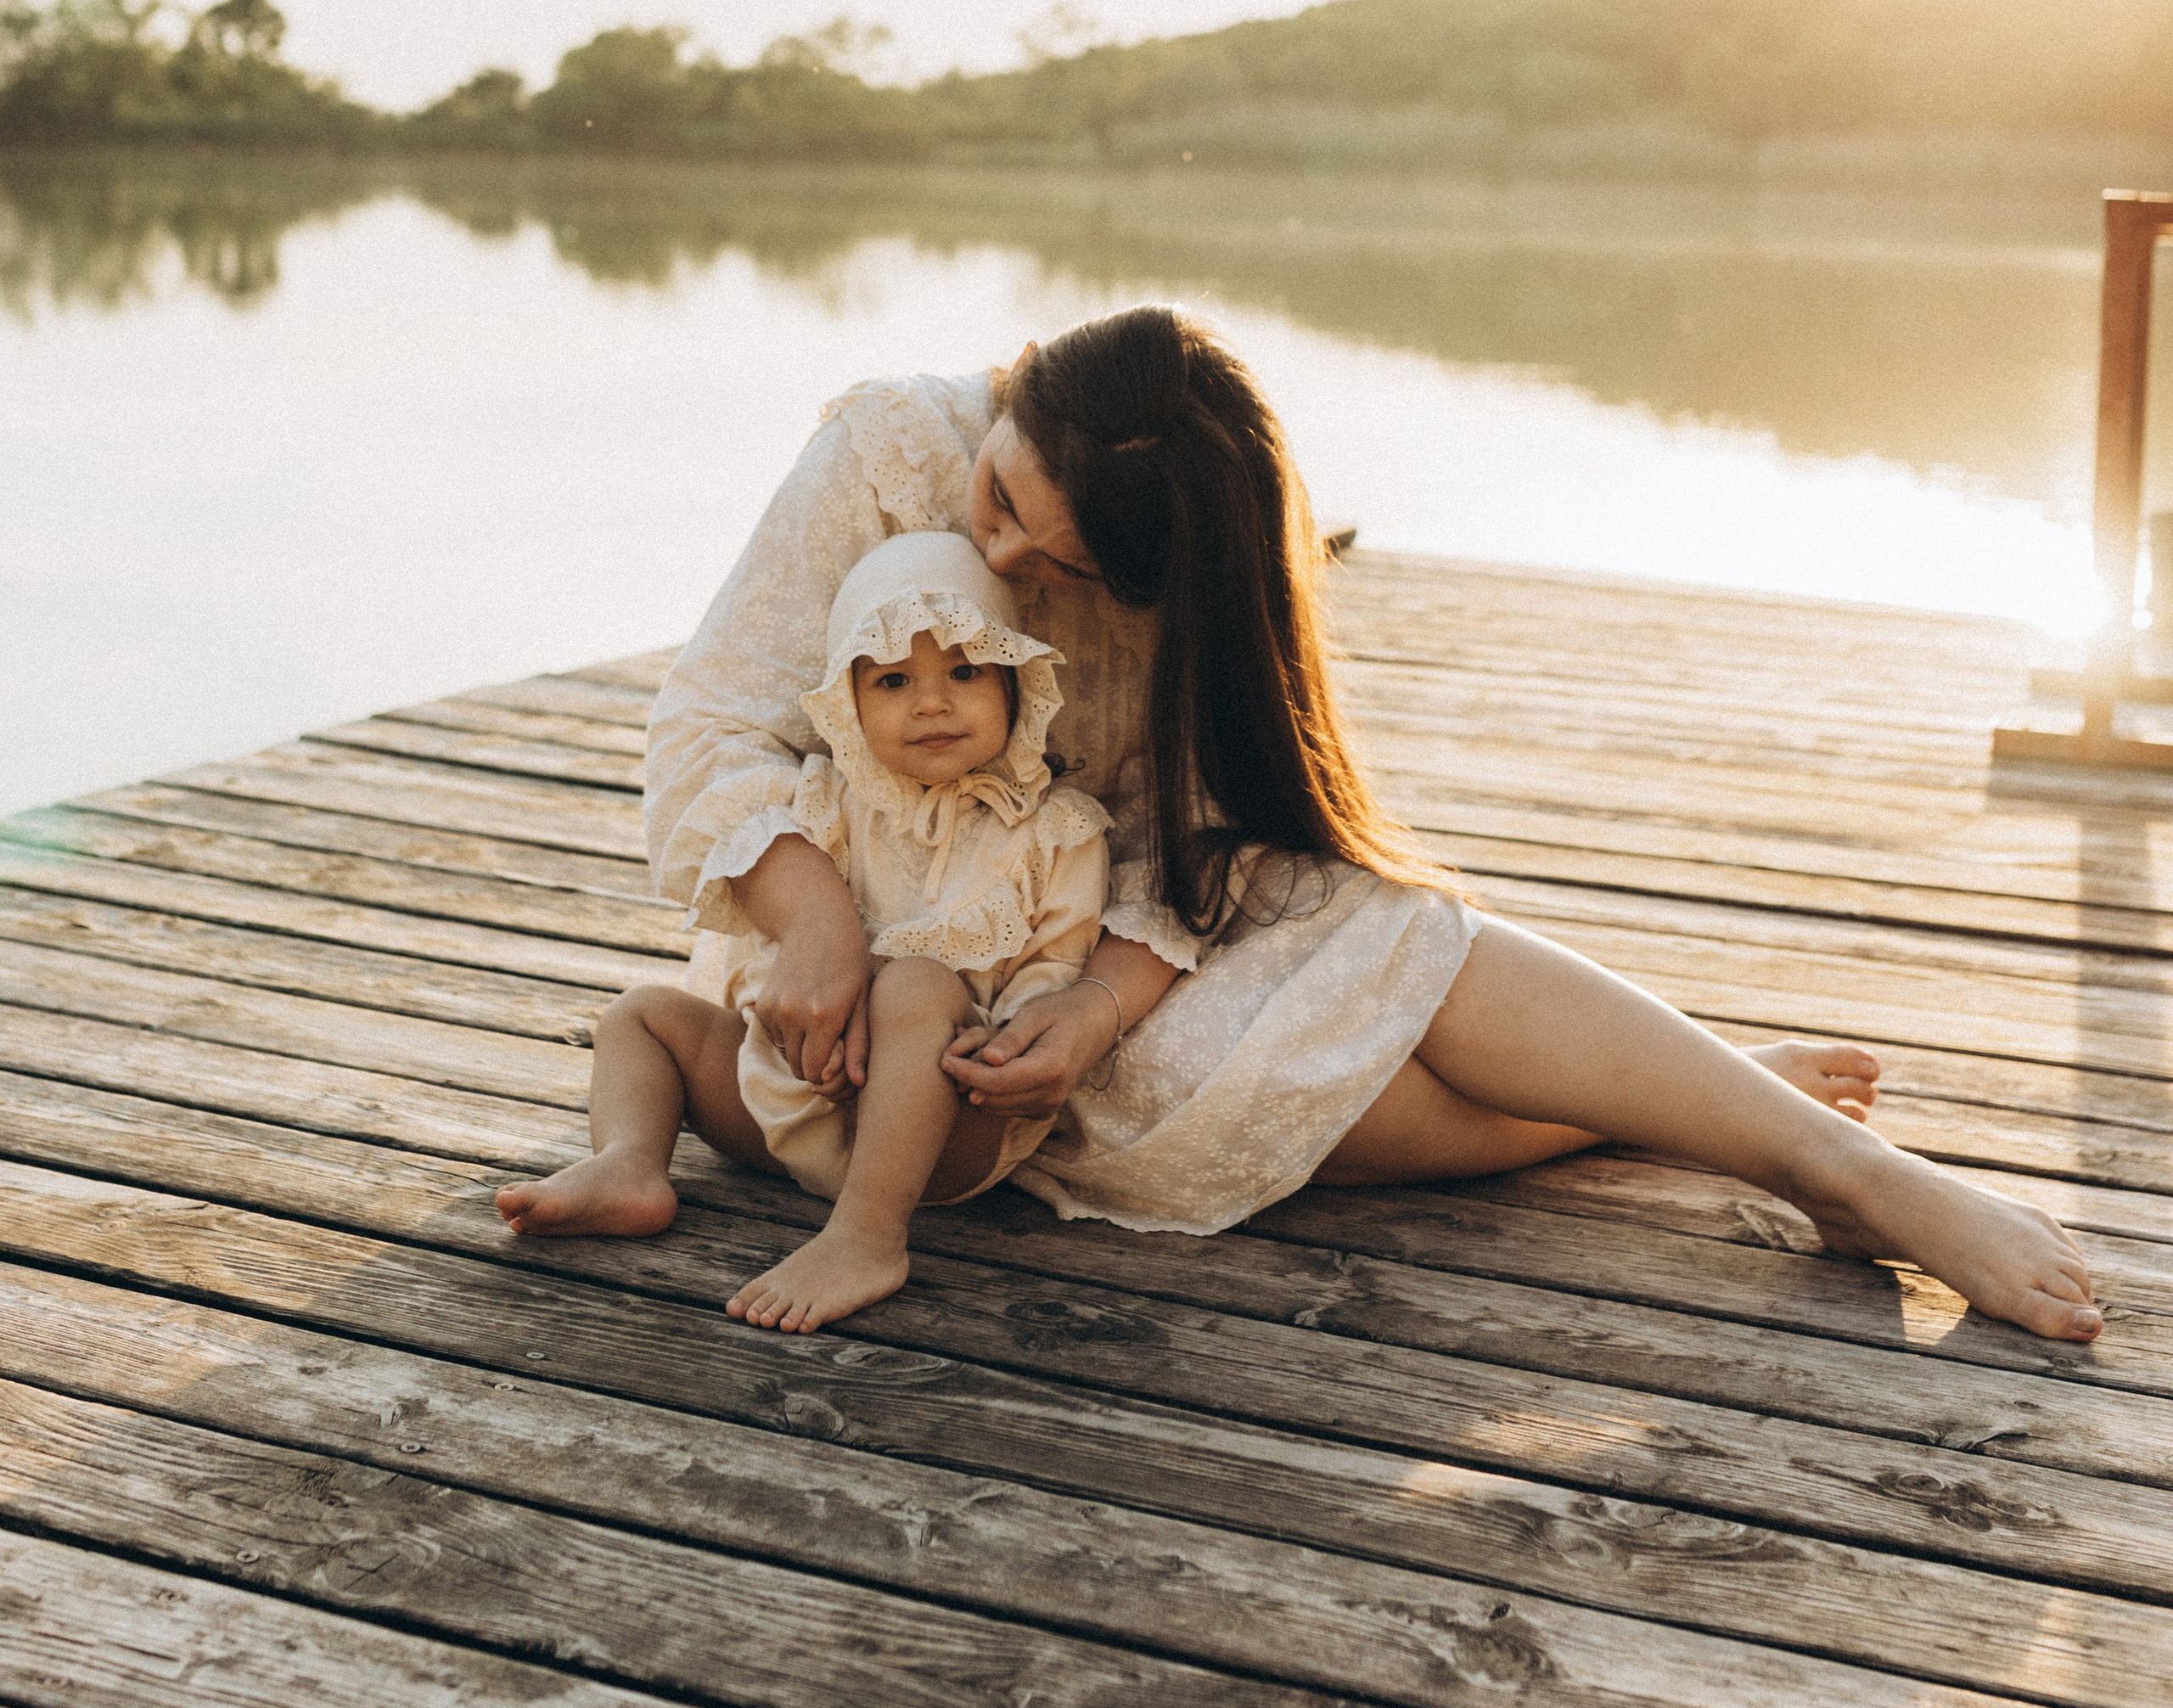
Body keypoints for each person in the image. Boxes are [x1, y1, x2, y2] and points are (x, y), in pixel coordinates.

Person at [643, 306, 2103, 1345]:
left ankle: (1844, 1171)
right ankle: (1702, 1105)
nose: (1007, 556)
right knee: (1274, 1091)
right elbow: (710, 724)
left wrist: (1095, 998)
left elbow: (1202, 842)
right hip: (873, 938)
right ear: (1019, 382)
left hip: (1112, 922)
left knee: (1386, 939)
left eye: (1065, 567)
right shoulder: (894, 444)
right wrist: (818, 928)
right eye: (1008, 503)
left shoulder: (1200, 563)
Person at [499, 531, 1108, 1329]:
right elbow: (773, 954)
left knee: (920, 982)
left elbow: (1054, 968)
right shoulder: (822, 805)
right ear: (849, 706)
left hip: (949, 1125)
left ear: (1016, 684)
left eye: (964, 672)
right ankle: (629, 1165)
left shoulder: (1056, 830)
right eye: (894, 679)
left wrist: (993, 1045)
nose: (932, 700)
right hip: (793, 1103)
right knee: (642, 1016)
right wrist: (794, 1027)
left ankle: (867, 1236)